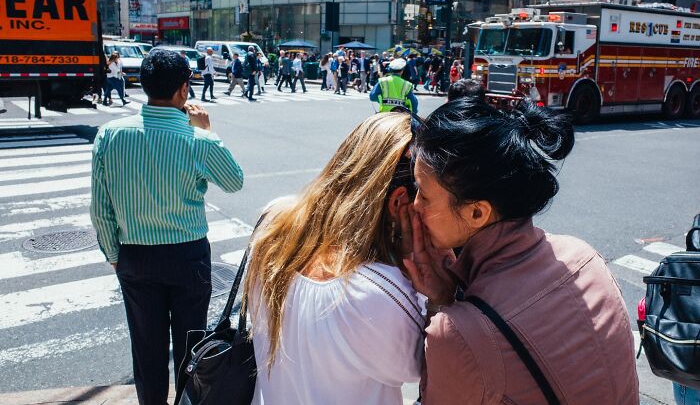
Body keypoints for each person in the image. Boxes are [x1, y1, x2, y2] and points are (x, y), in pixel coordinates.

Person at [403, 98, 639, 404]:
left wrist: (441, 304)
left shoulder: (460, 336)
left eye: (423, 192)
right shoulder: (583, 256)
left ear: (477, 213)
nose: (414, 205)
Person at [90, 49, 244, 405]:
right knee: (191, 346)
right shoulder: (196, 139)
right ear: (183, 90)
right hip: (187, 256)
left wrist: (115, 256)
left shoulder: (110, 135)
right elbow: (234, 181)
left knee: (146, 347)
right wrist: (207, 131)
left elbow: (100, 209)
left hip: (135, 257)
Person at [244, 112, 424, 405]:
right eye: (426, 196)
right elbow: (432, 363)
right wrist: (429, 275)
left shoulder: (273, 228)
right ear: (399, 202)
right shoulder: (377, 291)